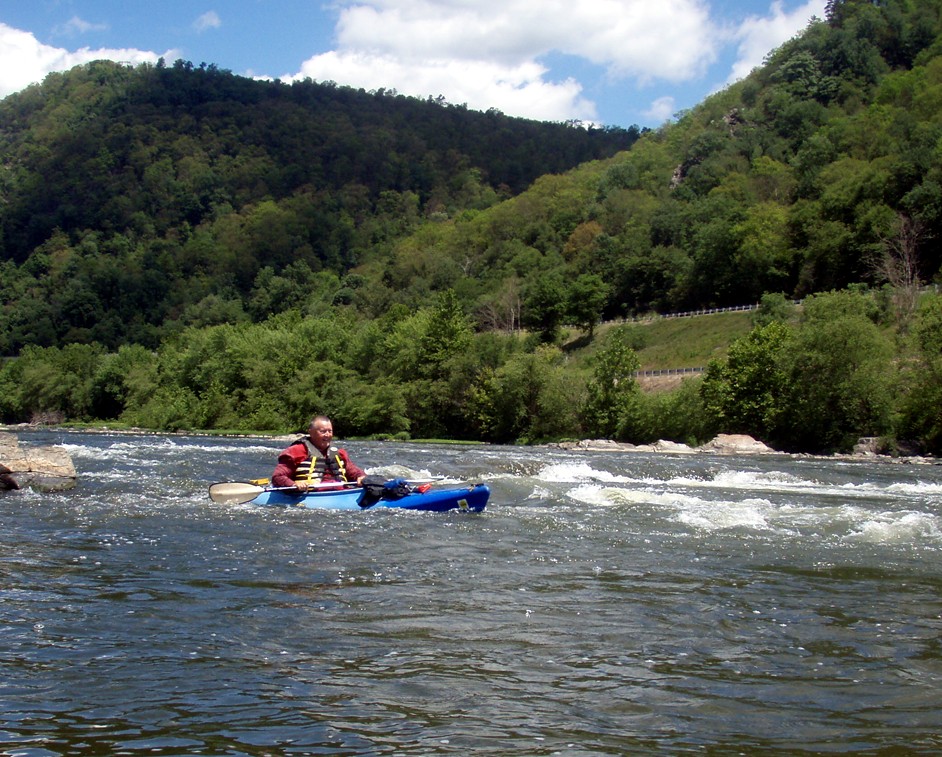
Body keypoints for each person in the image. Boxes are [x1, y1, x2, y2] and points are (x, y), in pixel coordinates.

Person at [271, 415, 366, 491]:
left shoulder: (340, 453)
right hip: (310, 495)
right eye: (323, 431)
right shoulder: (295, 451)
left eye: (330, 431)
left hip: (339, 494)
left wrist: (361, 477)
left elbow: (354, 472)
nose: (328, 435)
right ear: (311, 432)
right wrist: (294, 484)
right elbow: (278, 477)